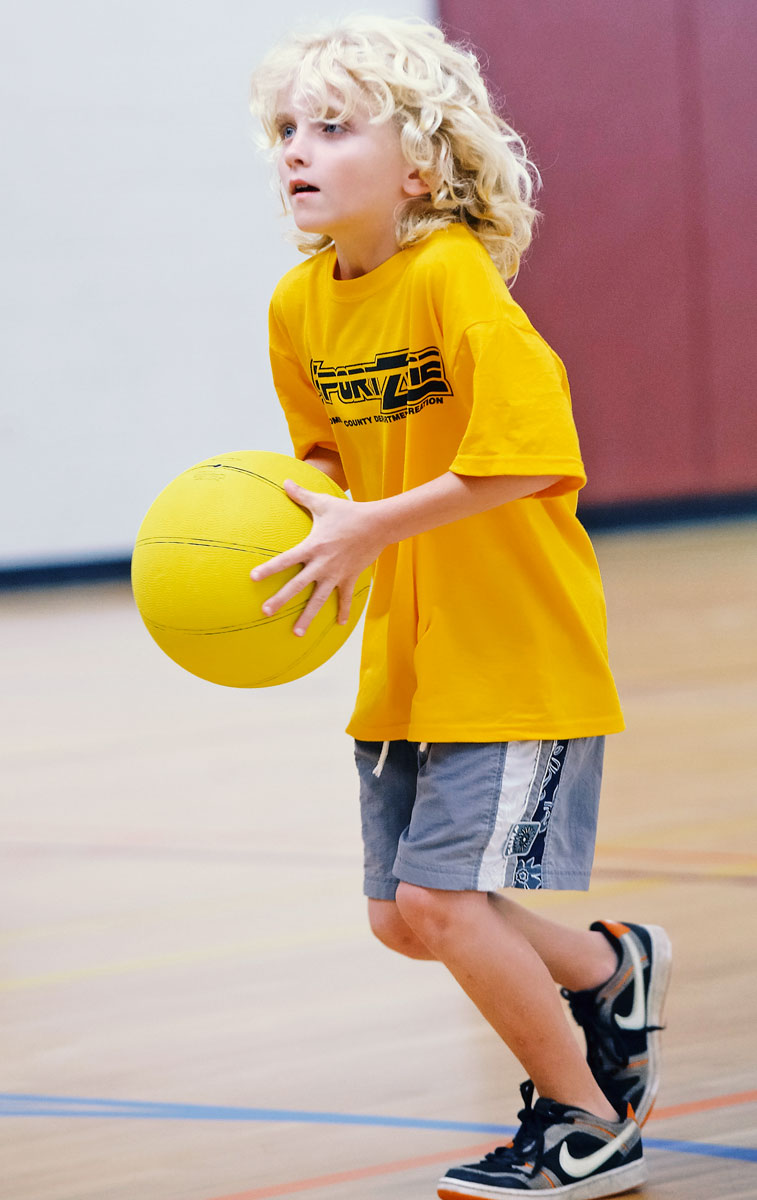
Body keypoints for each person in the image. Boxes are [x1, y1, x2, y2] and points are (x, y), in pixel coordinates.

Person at [249, 16, 671, 1199]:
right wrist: (298, 518)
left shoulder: (454, 279)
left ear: (422, 166)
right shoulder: (297, 308)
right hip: (409, 649)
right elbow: (329, 460)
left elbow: (530, 457)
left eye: (336, 127)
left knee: (443, 898)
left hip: (512, 640)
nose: (300, 148)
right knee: (404, 915)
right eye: (288, 128)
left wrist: (372, 523)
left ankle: (585, 1125)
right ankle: (606, 971)